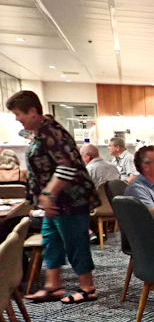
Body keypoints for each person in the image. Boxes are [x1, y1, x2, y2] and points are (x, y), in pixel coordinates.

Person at [6, 90, 99, 304]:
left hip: (70, 200)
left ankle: (88, 288)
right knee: (51, 240)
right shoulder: (40, 132)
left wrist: (49, 193)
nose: (17, 119)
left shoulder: (51, 131)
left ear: (32, 112)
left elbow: (67, 166)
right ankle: (53, 285)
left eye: (18, 114)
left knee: (75, 241)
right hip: (55, 202)